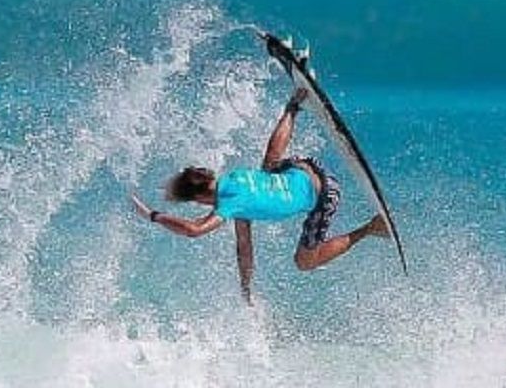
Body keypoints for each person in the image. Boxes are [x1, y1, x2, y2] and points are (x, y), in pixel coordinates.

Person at [131, 89, 389, 303]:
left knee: (304, 261)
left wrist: (153, 215)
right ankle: (293, 107)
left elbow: (194, 230)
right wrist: (246, 286)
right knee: (269, 166)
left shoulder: (231, 205)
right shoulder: (235, 178)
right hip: (306, 166)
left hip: (326, 194)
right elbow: (245, 249)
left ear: (198, 199)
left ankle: (368, 229)